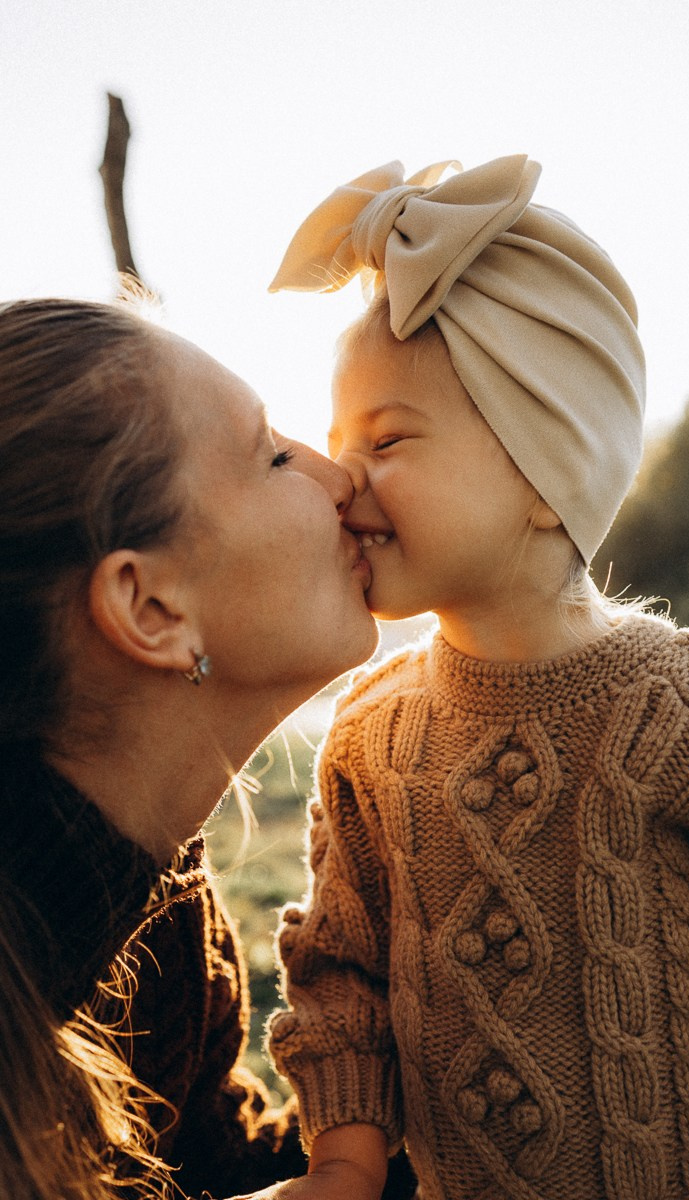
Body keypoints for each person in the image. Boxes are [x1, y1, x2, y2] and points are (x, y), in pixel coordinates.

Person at [262, 156, 689, 1200]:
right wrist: (344, 1163)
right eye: (334, 445)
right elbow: (342, 975)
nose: (340, 479)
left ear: (547, 474)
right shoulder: (370, 737)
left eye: (387, 439)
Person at [0, 296, 382, 1200]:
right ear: (151, 609)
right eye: (274, 456)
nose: (339, 480)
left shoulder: (161, 914)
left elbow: (204, 1166)